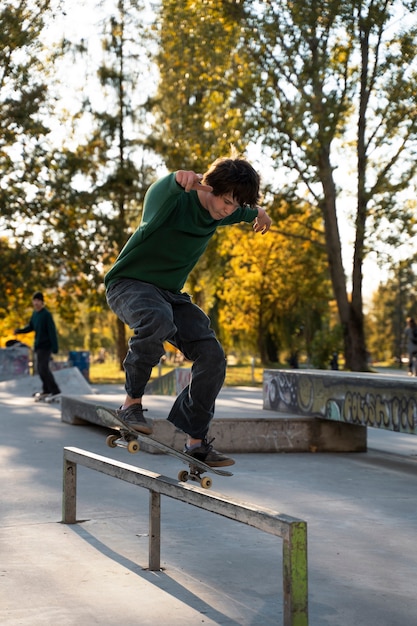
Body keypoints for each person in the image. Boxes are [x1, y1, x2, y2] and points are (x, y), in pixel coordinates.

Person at [105, 155, 272, 467]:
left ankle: (195, 441)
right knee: (157, 320)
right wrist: (176, 178)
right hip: (129, 284)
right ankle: (130, 405)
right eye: (225, 201)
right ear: (208, 187)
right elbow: (159, 190)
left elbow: (244, 209)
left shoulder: (223, 211)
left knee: (212, 356)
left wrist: (259, 212)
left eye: (234, 206)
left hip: (170, 294)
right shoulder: (172, 200)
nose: (227, 210)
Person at [15, 292, 61, 398]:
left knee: (43, 368)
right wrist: (19, 331)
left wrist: (55, 347)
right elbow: (30, 327)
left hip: (46, 346)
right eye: (34, 301)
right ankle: (47, 390)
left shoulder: (46, 315)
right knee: (40, 369)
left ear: (42, 302)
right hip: (38, 345)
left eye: (38, 301)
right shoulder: (35, 315)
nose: (36, 303)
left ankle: (55, 391)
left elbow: (52, 331)